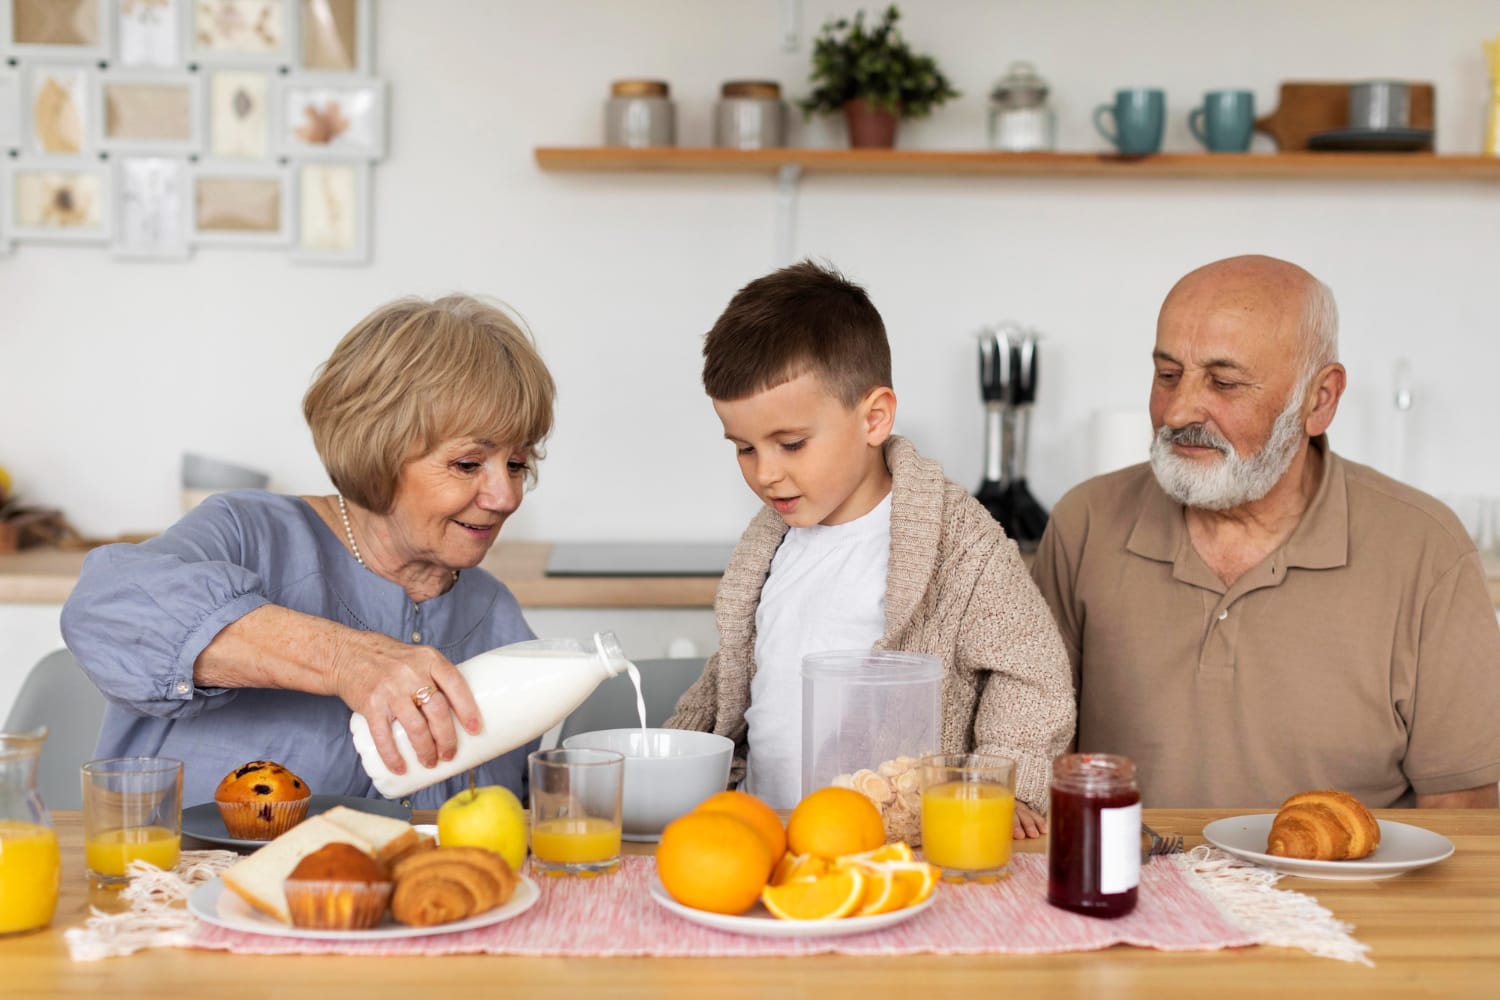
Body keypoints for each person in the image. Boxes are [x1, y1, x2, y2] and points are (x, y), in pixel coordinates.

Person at [1031, 254, 1500, 809]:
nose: (1179, 411)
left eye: (1224, 383)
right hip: (1131, 891)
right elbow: (1029, 760)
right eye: (1167, 375)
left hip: (1342, 896)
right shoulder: (1085, 524)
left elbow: (1465, 816)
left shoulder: (1426, 551)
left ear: (1319, 399)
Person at [60, 294, 557, 808]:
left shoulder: (499, 621)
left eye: (517, 465)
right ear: (377, 450)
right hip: (176, 885)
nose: (505, 498)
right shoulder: (248, 535)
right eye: (469, 464)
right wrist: (345, 659)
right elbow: (103, 610)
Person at [666, 260, 1076, 835]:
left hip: (895, 838)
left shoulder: (958, 543)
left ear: (874, 418)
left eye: (790, 444)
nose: (765, 474)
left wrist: (1001, 788)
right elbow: (738, 668)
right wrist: (673, 753)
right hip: (766, 830)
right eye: (744, 448)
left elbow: (1031, 671)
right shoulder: (771, 542)